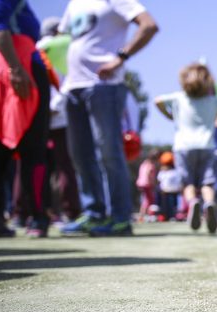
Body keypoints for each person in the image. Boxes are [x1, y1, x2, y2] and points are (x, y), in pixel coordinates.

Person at [59, 0, 158, 237]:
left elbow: (149, 25)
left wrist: (120, 57)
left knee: (109, 152)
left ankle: (121, 217)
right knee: (80, 154)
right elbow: (64, 38)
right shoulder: (74, 4)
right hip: (73, 87)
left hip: (104, 87)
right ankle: (94, 214)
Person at [155, 63, 217, 234]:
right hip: (207, 146)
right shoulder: (212, 101)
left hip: (183, 147)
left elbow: (157, 101)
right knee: (207, 182)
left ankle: (193, 202)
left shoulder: (178, 98)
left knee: (188, 183)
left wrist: (170, 116)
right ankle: (209, 204)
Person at [0, 0, 51, 238]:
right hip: (19, 70)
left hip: (6, 69)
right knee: (33, 150)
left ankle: (3, 218)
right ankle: (37, 218)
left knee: (1, 152)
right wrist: (16, 69)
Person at [37, 16, 81, 224]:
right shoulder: (66, 44)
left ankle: (31, 211)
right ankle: (70, 211)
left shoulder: (34, 46)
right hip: (61, 113)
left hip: (36, 114)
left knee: (34, 164)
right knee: (65, 165)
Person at [135, 149, 159, 221]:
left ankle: (142, 215)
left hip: (141, 183)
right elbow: (149, 174)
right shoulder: (150, 165)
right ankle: (147, 214)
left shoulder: (144, 163)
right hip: (147, 184)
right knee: (149, 200)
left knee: (145, 199)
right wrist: (153, 183)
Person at [156, 151, 180, 222]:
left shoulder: (174, 171)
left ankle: (172, 215)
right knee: (165, 205)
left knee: (172, 205)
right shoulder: (163, 172)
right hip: (165, 192)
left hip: (172, 192)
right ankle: (166, 216)